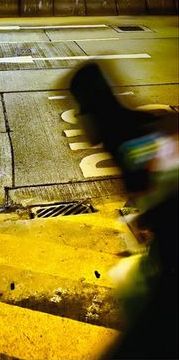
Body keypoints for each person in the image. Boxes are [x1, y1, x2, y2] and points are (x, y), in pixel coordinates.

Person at [70, 63, 178, 360]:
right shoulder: (130, 133)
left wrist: (149, 218)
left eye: (79, 108)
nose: (77, 118)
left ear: (91, 108)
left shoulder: (128, 144)